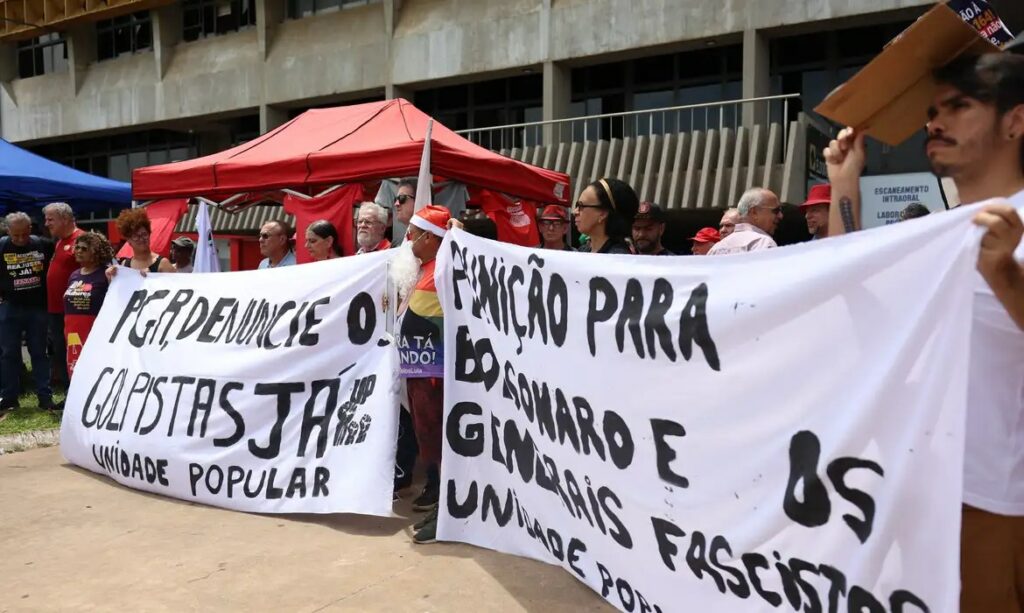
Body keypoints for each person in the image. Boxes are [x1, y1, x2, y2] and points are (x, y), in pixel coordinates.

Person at [824, 53, 1024, 612]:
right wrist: (847, 186)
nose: (934, 123)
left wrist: (1004, 273)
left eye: (960, 107)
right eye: (932, 111)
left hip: (995, 508)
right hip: (916, 495)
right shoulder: (940, 232)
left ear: (1015, 121)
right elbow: (852, 297)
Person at [391, 205, 451, 544]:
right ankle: (441, 504)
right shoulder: (423, 270)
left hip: (435, 376)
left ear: (431, 237)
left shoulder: (444, 269)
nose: (408, 238)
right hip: (418, 374)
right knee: (430, 444)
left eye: (413, 232)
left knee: (440, 445)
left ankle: (446, 511)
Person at [0, 212, 54, 413]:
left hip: (37, 307)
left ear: (30, 229)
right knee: (8, 354)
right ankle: (9, 397)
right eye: (16, 235)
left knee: (40, 353)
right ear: (8, 231)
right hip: (9, 307)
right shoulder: (2, 246)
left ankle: (45, 397)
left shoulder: (44, 245)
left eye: (24, 234)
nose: (21, 239)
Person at [43, 202, 83, 390]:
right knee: (61, 352)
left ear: (65, 218)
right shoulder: (60, 241)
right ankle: (69, 392)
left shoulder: (81, 240)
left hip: (74, 310)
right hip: (56, 309)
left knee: (75, 352)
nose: (46, 223)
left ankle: (77, 392)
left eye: (51, 219)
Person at [63, 233, 113, 380]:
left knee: (94, 367)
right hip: (72, 330)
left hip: (94, 329)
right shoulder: (74, 275)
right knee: (74, 365)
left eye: (84, 249)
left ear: (96, 252)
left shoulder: (106, 274)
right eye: (76, 247)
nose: (78, 251)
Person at [574, 178, 639, 254]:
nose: (575, 212)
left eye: (581, 206)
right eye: (576, 205)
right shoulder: (583, 251)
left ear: (603, 213)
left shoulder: (617, 259)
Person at [707, 188, 781, 256]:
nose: (780, 215)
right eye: (776, 211)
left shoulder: (715, 249)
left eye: (728, 225)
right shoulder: (763, 243)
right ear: (754, 212)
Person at [116, 208, 175, 273]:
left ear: (149, 234)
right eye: (136, 236)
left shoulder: (163, 264)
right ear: (129, 240)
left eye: (144, 234)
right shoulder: (124, 265)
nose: (141, 239)